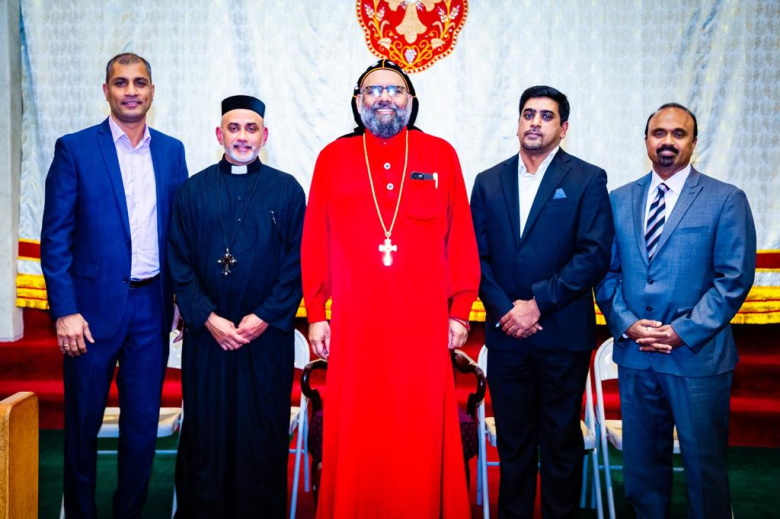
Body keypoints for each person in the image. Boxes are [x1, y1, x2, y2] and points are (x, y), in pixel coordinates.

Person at [301, 59, 480, 518]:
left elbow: (461, 238)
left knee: (417, 431)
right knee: (358, 431)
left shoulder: (440, 155)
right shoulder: (333, 158)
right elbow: (315, 241)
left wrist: (460, 311)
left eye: (395, 90)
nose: (384, 97)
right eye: (373, 90)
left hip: (422, 327)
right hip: (355, 326)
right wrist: (317, 314)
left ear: (411, 101)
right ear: (358, 101)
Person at [40, 53, 188, 518]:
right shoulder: (75, 149)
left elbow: (180, 233)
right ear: (106, 90)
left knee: (142, 428)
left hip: (151, 309)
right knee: (82, 426)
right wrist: (65, 310)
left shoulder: (171, 151)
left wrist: (181, 297)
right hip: (88, 314)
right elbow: (56, 237)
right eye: (121, 83)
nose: (131, 91)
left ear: (152, 91)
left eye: (139, 82)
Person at [595, 103, 756, 519]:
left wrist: (682, 331)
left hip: (696, 356)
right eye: (659, 133)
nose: (667, 141)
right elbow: (605, 273)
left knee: (704, 467)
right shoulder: (619, 200)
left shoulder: (725, 199)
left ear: (694, 142)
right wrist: (628, 324)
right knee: (642, 467)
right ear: (646, 141)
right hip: (636, 354)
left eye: (678, 134)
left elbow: (733, 278)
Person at [471, 85, 614, 518]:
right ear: (518, 123)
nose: (535, 122)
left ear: (563, 127)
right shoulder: (488, 181)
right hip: (507, 336)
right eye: (528, 114)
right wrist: (505, 310)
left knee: (560, 444)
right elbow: (474, 257)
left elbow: (593, 255)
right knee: (513, 445)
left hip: (561, 332)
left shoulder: (587, 179)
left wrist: (536, 304)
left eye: (546, 116)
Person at [167, 95, 305, 518]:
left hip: (265, 339)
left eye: (251, 128)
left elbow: (298, 263)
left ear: (265, 136)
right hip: (209, 339)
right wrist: (209, 319)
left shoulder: (287, 190)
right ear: (219, 134)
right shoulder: (192, 191)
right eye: (233, 128)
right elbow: (179, 262)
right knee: (206, 433)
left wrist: (263, 317)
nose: (242, 137)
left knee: (260, 433)